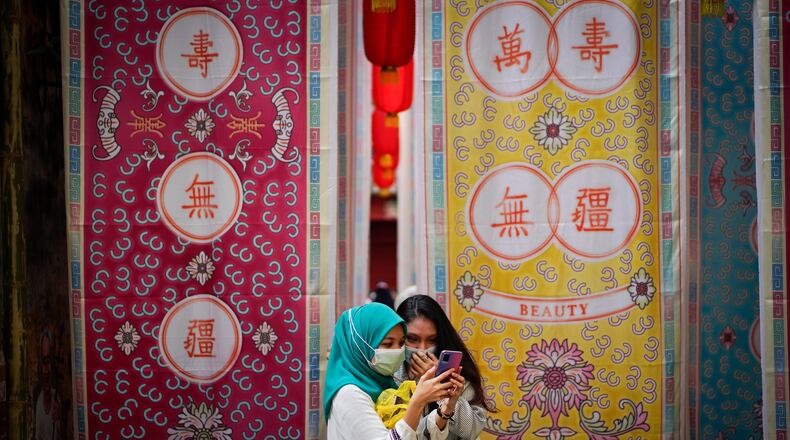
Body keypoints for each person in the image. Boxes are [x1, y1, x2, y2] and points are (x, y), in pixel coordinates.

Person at [325, 302, 465, 439]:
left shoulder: (384, 382)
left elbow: (414, 434)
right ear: (360, 346)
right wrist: (417, 402)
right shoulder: (349, 394)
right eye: (387, 344)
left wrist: (445, 409)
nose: (397, 351)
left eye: (401, 343)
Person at [396, 295, 494, 440]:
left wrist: (442, 381)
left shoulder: (455, 374)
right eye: (413, 339)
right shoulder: (391, 372)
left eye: (431, 340)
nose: (422, 349)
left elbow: (472, 430)